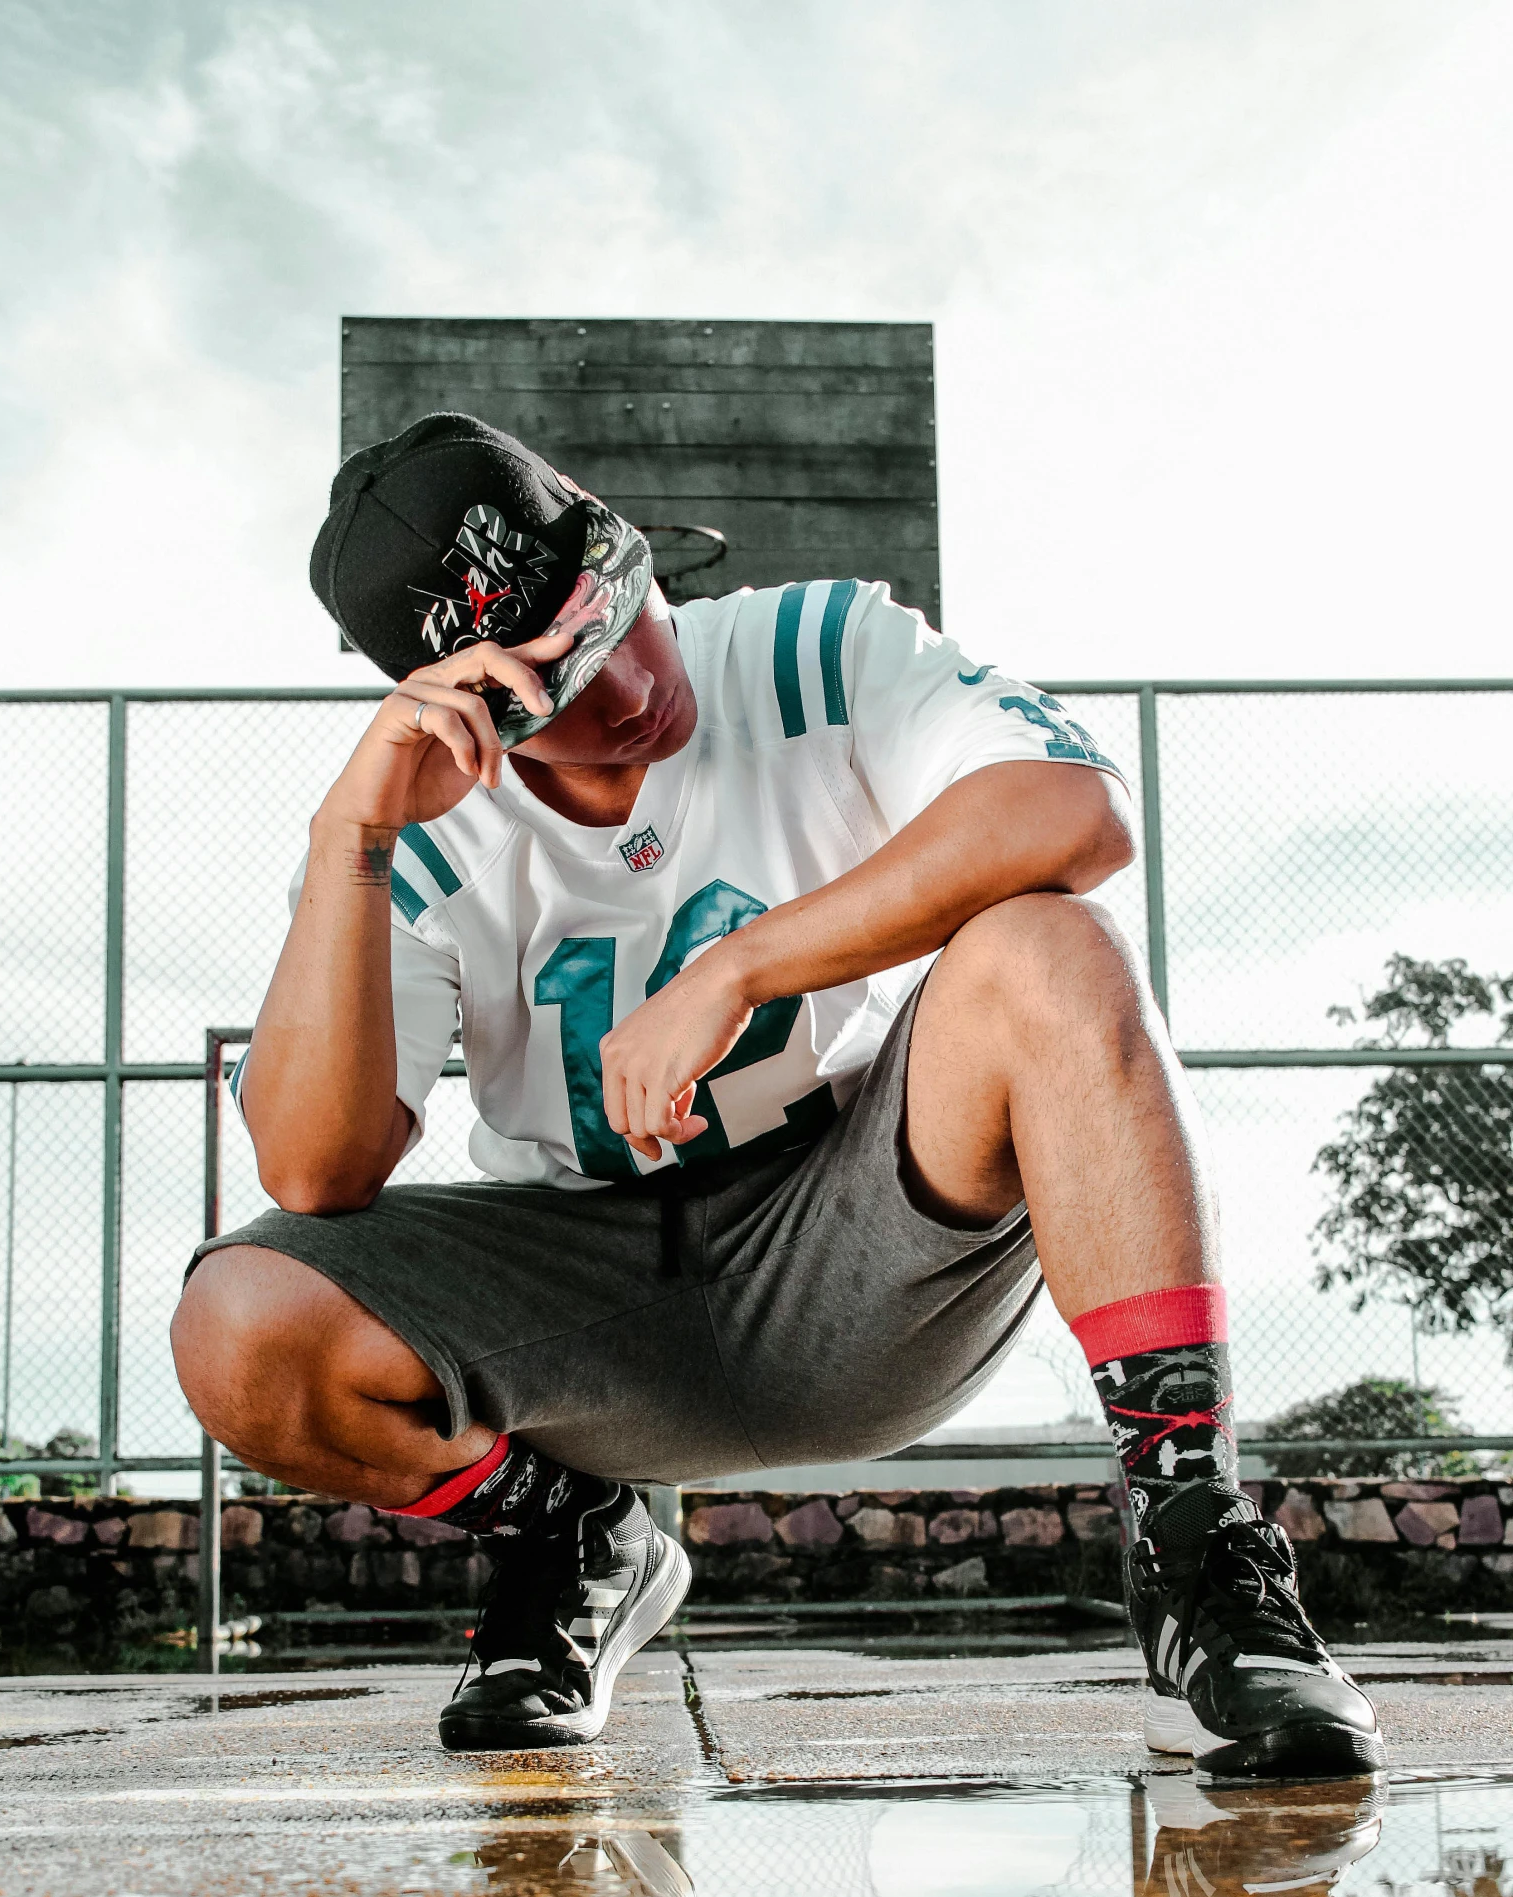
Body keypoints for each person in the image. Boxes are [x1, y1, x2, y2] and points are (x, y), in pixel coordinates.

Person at [172, 411, 1382, 1777]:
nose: (628, 683)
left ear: (617, 533)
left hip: (871, 1247)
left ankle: (1198, 1548)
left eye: (615, 607)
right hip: (595, 1312)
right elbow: (314, 1169)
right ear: (457, 702)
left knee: (1050, 946)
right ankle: (576, 1534)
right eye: (551, 685)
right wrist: (352, 838)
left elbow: (1072, 816)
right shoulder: (420, 821)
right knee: (237, 1319)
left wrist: (740, 966)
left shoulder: (812, 648)